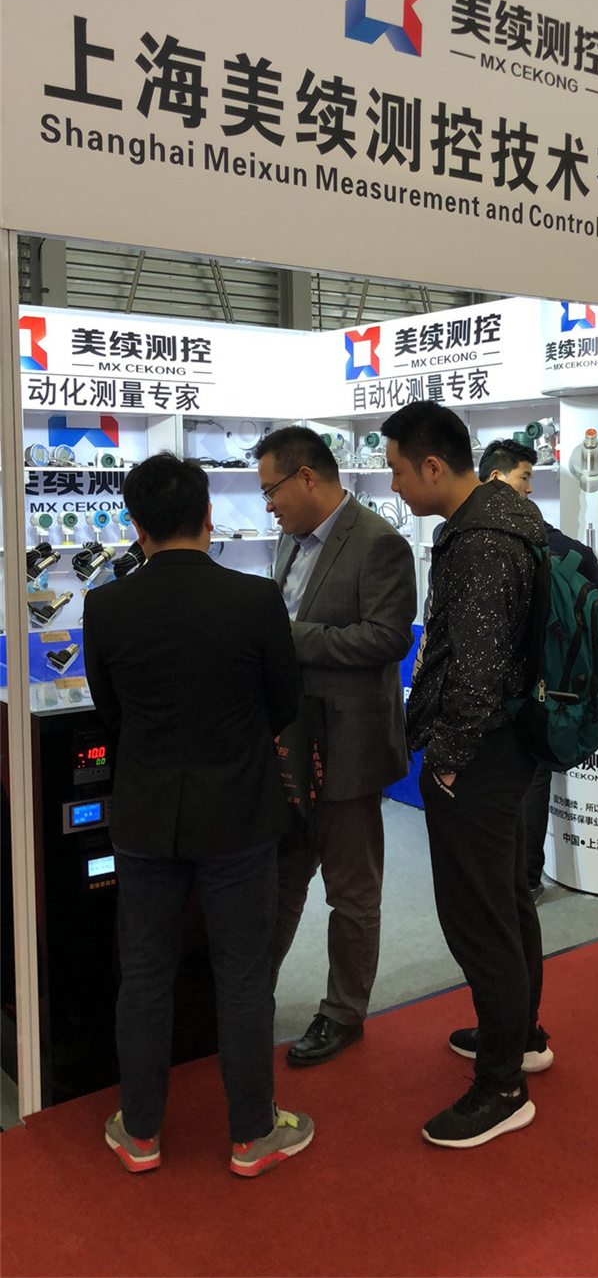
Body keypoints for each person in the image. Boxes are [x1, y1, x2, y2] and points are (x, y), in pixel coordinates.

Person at [82, 452, 313, 1178]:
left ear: (136, 524)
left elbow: (109, 711)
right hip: (240, 813)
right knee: (243, 976)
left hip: (146, 813)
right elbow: (284, 700)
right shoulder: (255, 599)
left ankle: (140, 1132)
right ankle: (251, 1134)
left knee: (144, 974)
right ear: (209, 517)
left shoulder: (106, 606)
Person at [381, 402, 552, 1151]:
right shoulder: (508, 520)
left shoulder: (481, 540)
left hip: (480, 756)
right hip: (509, 744)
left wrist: (445, 761)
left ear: (432, 465)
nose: (394, 484)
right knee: (506, 901)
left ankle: (502, 1086)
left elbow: (476, 673)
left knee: (480, 918)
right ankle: (520, 1035)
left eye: (397, 469)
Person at [255, 426, 416, 1067]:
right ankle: (246, 997)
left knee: (351, 891)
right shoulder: (289, 541)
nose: (268, 504)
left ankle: (343, 1013)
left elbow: (388, 639)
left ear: (306, 477)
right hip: (291, 741)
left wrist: (290, 636)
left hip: (349, 744)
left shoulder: (379, 542)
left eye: (272, 490)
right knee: (281, 877)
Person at [478, 439, 598, 897]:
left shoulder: (465, 540)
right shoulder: (563, 548)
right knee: (531, 780)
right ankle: (525, 882)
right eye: (525, 478)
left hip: (496, 691)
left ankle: (509, 881)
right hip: (546, 690)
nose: (530, 488)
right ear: (498, 478)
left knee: (504, 783)